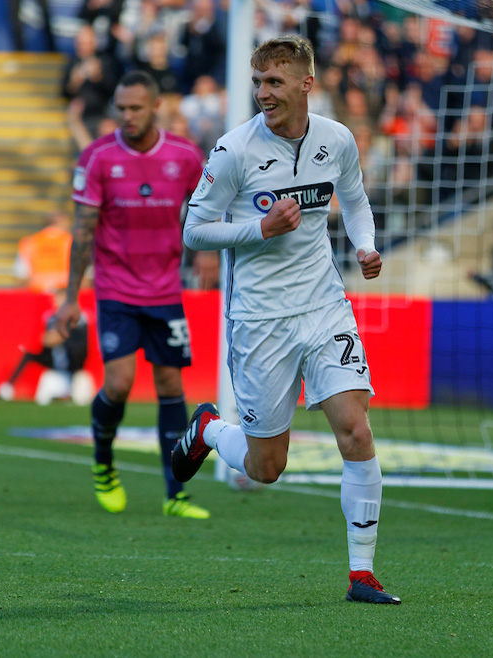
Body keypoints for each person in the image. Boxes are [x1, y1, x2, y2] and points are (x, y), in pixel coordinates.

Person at [171, 36, 399, 604]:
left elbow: (356, 197)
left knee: (356, 427)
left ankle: (362, 573)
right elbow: (193, 230)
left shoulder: (336, 139)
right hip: (261, 319)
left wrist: (365, 246)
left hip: (324, 306)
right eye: (257, 82)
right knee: (266, 467)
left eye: (274, 82)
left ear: (305, 84)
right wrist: (259, 229)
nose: (263, 93)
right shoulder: (233, 151)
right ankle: (208, 429)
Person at [53, 71, 208, 520]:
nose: (127, 116)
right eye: (120, 108)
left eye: (136, 108)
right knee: (119, 384)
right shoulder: (98, 157)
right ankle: (104, 464)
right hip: (116, 289)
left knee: (171, 385)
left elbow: (207, 208)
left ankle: (175, 494)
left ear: (156, 106)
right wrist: (69, 299)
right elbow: (82, 233)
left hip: (165, 290)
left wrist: (211, 254)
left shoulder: (184, 156)